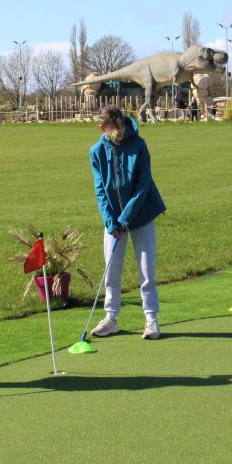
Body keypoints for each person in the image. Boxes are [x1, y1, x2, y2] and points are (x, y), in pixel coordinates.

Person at [89, 105, 166, 340]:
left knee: (146, 270)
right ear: (102, 128)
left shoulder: (138, 145)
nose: (119, 132)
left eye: (121, 126)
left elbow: (143, 186)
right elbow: (100, 189)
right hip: (114, 220)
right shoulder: (96, 152)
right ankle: (111, 318)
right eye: (114, 129)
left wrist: (125, 217)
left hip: (141, 214)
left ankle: (151, 319)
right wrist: (111, 220)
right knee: (112, 271)